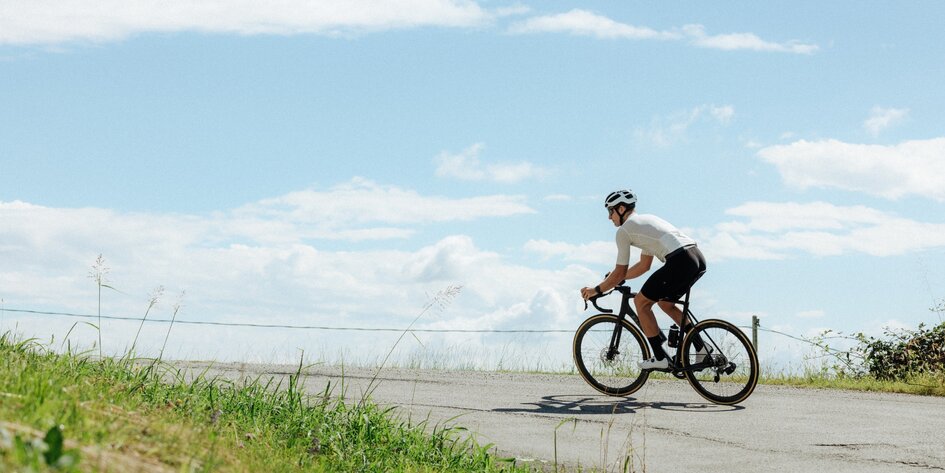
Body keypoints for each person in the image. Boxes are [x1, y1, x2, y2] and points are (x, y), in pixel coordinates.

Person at [580, 189, 708, 370]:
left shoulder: (624, 231)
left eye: (610, 211)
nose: (609, 217)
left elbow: (620, 272)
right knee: (665, 303)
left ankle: (659, 357)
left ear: (622, 208)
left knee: (641, 302)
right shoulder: (645, 222)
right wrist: (615, 279)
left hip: (679, 260)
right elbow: (643, 265)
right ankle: (701, 347)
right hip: (696, 257)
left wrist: (597, 289)